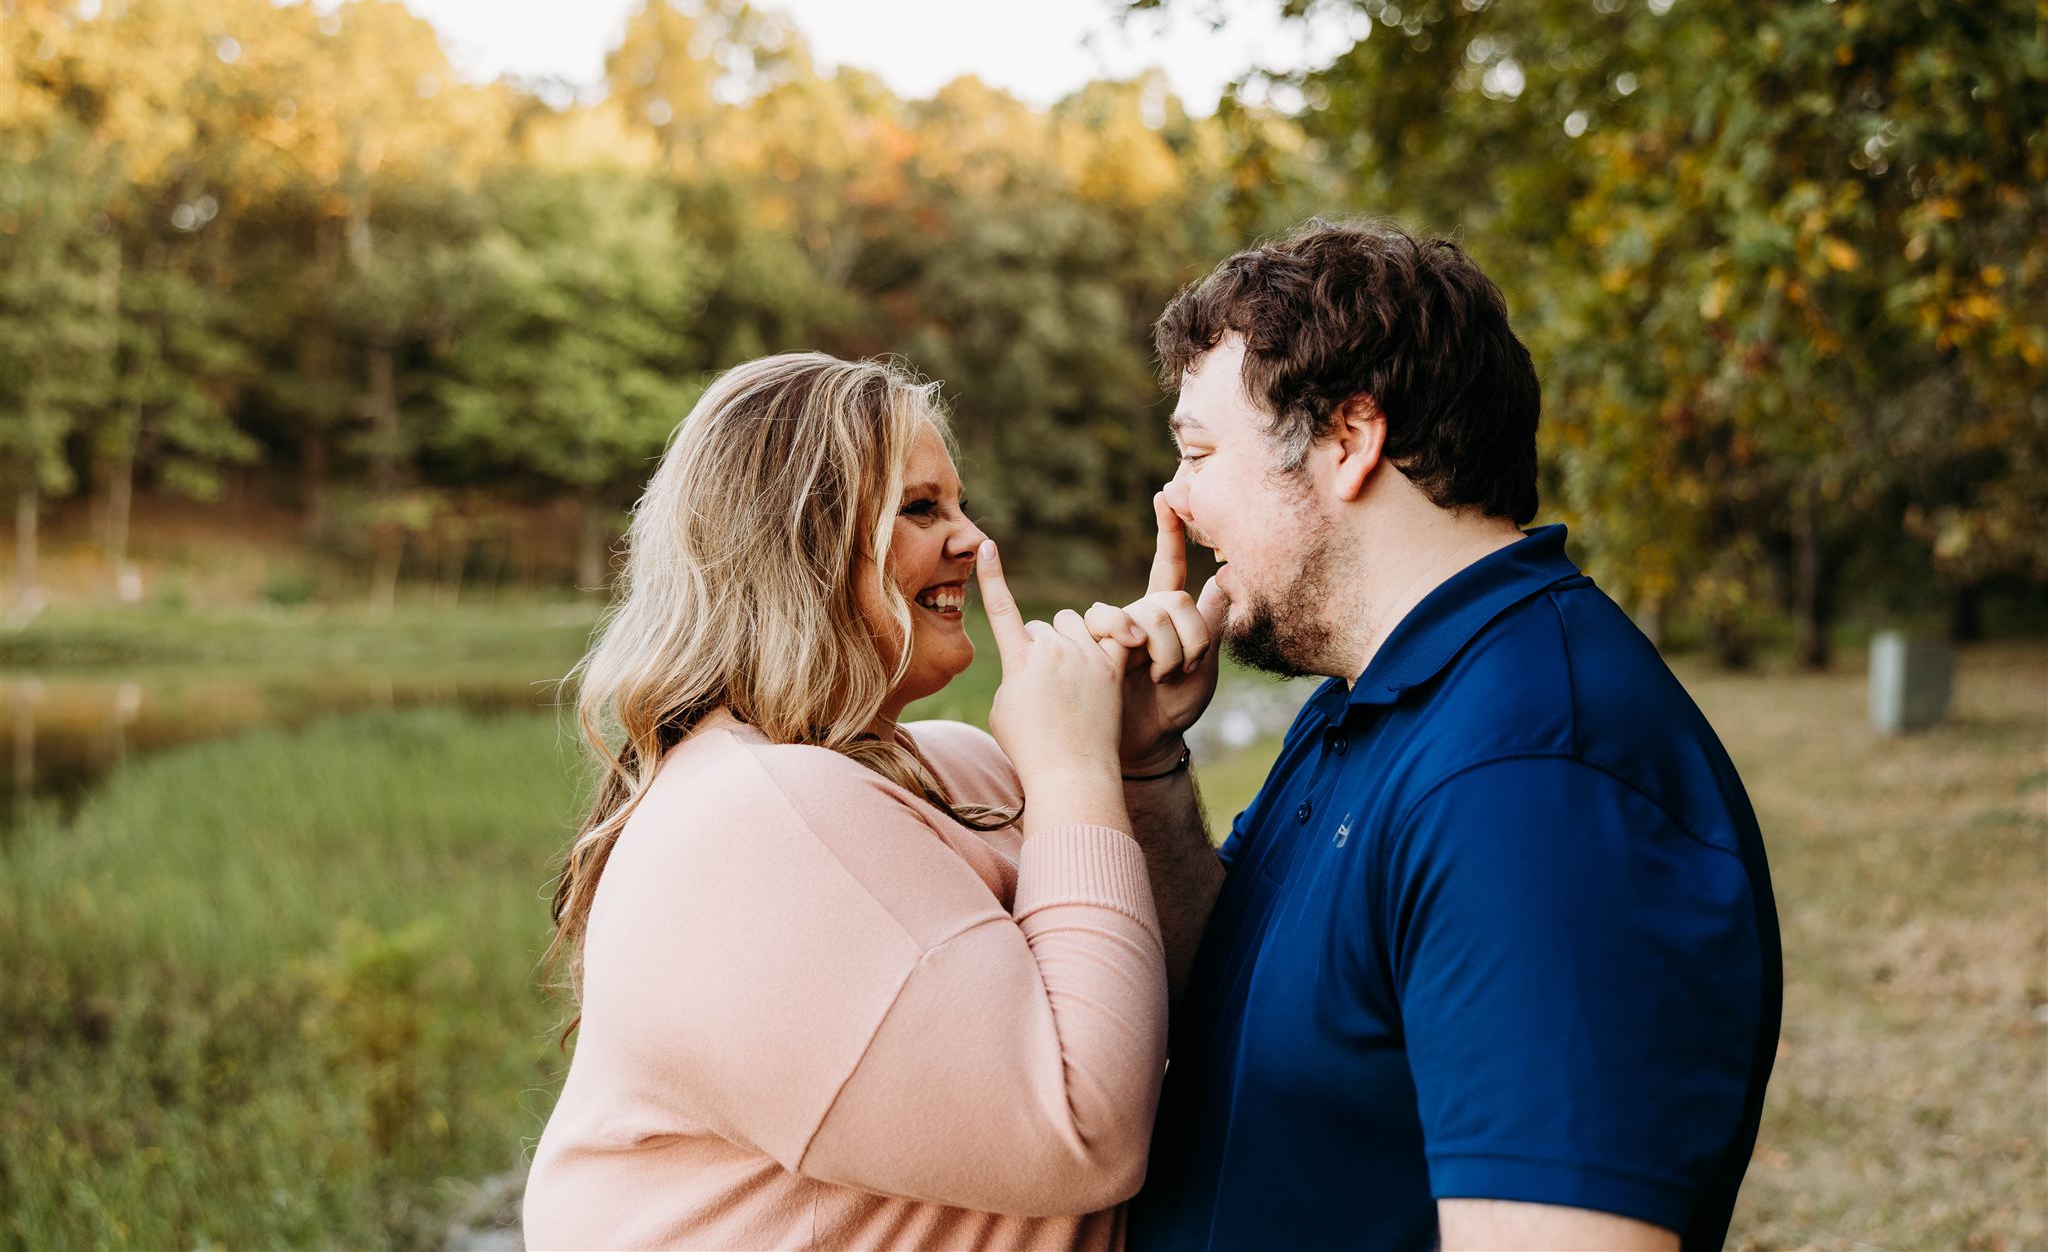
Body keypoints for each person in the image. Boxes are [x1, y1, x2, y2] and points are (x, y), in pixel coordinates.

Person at [1080, 222, 1782, 1252]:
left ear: (1349, 440)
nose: (1172, 500)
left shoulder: (1532, 782)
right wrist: (1144, 765)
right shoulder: (1370, 698)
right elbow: (1236, 997)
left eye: (1195, 452)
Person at [522, 353, 1168, 1251]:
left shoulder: (964, 771)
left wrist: (1136, 760)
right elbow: (1085, 1134)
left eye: (959, 503)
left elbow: (1158, 1003)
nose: (974, 540)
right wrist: (1071, 773)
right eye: (921, 508)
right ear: (798, 544)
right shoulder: (748, 819)